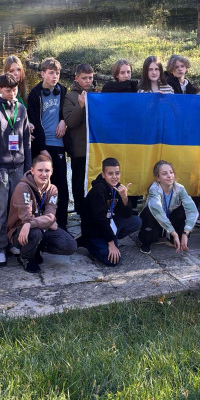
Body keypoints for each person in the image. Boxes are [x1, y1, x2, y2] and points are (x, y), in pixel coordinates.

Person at [0, 72, 32, 265]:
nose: (12, 93)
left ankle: (14, 241)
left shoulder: (21, 109)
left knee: (17, 208)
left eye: (14, 90)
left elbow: (26, 140)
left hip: (19, 167)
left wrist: (28, 167)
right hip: (1, 168)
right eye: (7, 90)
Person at [7, 153, 77, 273]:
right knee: (35, 233)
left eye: (47, 170)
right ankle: (26, 257)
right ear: (32, 170)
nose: (44, 174)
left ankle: (35, 249)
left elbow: (50, 216)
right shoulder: (22, 187)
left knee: (70, 245)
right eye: (40, 170)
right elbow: (26, 218)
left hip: (35, 227)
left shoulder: (53, 189)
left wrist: (32, 223)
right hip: (20, 231)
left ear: (52, 171)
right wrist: (43, 222)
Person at [26, 58, 70, 230]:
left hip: (59, 144)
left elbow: (66, 111)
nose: (54, 76)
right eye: (51, 73)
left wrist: (63, 121)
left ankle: (62, 223)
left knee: (62, 185)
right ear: (43, 73)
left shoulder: (63, 90)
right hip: (43, 146)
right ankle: (43, 222)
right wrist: (42, 148)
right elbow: (34, 121)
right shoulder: (35, 94)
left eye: (57, 73)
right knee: (43, 185)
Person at [79, 157, 141, 266]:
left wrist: (125, 198)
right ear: (103, 174)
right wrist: (111, 243)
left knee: (136, 221)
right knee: (113, 261)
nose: (114, 177)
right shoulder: (98, 190)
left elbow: (127, 214)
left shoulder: (117, 186)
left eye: (117, 173)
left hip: (109, 222)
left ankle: (110, 238)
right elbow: (100, 219)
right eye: (110, 174)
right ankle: (88, 243)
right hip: (95, 228)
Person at [138, 160, 198, 254]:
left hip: (169, 220)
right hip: (155, 221)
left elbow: (193, 211)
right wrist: (173, 233)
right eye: (164, 173)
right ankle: (146, 241)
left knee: (183, 209)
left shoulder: (180, 188)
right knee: (149, 212)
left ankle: (171, 239)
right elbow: (157, 211)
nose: (169, 176)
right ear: (158, 178)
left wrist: (186, 232)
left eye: (171, 172)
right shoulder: (154, 189)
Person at [63, 63, 94, 215]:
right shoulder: (70, 97)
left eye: (90, 78)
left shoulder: (97, 94)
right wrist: (80, 107)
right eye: (84, 78)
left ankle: (94, 211)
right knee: (78, 182)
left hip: (95, 148)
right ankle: (80, 212)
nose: (88, 81)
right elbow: (71, 122)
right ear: (77, 78)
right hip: (79, 149)